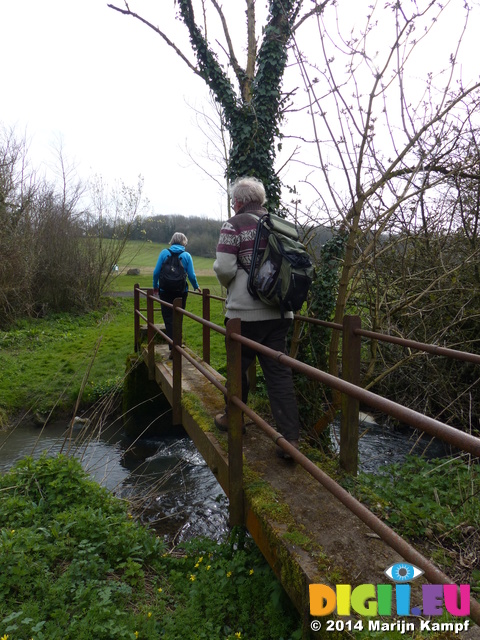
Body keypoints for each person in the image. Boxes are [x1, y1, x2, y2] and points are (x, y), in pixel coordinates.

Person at [213, 176, 300, 459]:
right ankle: (289, 442)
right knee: (279, 374)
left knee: (237, 369)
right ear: (261, 200)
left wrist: (237, 279)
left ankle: (233, 418)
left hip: (244, 316)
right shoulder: (282, 225)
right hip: (280, 312)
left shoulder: (234, 225)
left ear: (237, 202)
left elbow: (224, 268)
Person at [153, 232, 201, 357]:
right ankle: (178, 346)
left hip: (165, 291)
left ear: (172, 241)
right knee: (178, 318)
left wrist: (155, 286)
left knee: (168, 319)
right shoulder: (186, 255)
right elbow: (191, 275)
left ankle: (172, 347)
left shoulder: (164, 253)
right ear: (184, 242)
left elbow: (156, 272)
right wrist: (196, 287)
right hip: (181, 292)